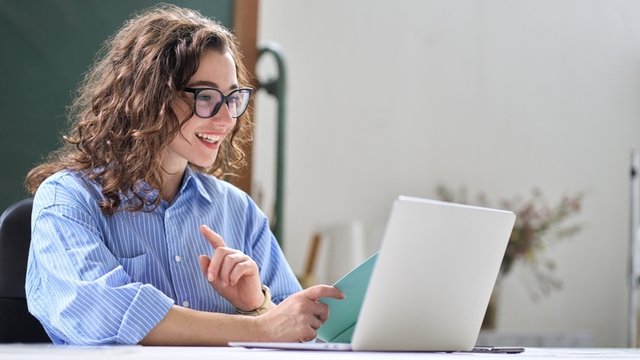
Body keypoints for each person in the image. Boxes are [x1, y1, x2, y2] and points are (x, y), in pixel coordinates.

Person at [24, 4, 343, 346]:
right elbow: (104, 314)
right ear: (151, 98)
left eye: (232, 98)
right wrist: (260, 330)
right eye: (205, 97)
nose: (225, 120)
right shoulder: (67, 200)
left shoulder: (238, 210)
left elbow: (300, 331)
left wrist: (257, 306)